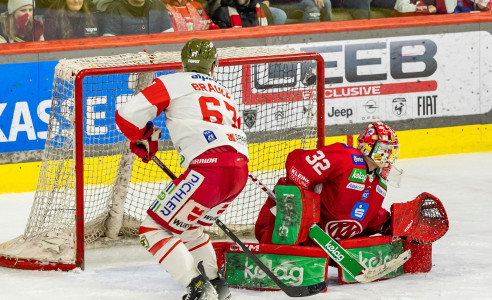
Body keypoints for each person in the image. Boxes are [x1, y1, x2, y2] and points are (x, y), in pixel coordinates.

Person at [115, 39, 249, 300]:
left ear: (184, 62)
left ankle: (199, 289)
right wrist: (149, 139)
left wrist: (145, 136)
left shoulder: (173, 82)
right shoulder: (224, 91)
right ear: (214, 65)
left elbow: (126, 116)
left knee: (153, 230)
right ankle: (217, 285)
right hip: (238, 172)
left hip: (208, 172)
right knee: (189, 227)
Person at [255, 122, 402, 245]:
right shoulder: (345, 158)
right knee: (292, 204)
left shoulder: (379, 182)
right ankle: (276, 251)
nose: (388, 155)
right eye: (385, 149)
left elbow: (363, 214)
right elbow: (297, 164)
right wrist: (302, 204)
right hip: (287, 233)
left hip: (326, 246)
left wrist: (387, 225)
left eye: (391, 150)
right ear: (369, 146)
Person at [102, 0, 173, 36]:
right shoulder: (115, 9)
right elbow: (111, 47)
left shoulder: (158, 5)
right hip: (128, 60)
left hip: (157, 58)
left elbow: (169, 38)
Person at [208, 0, 284, 27]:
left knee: (280, 15)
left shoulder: (262, 9)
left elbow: (271, 39)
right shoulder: (223, 13)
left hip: (262, 53)